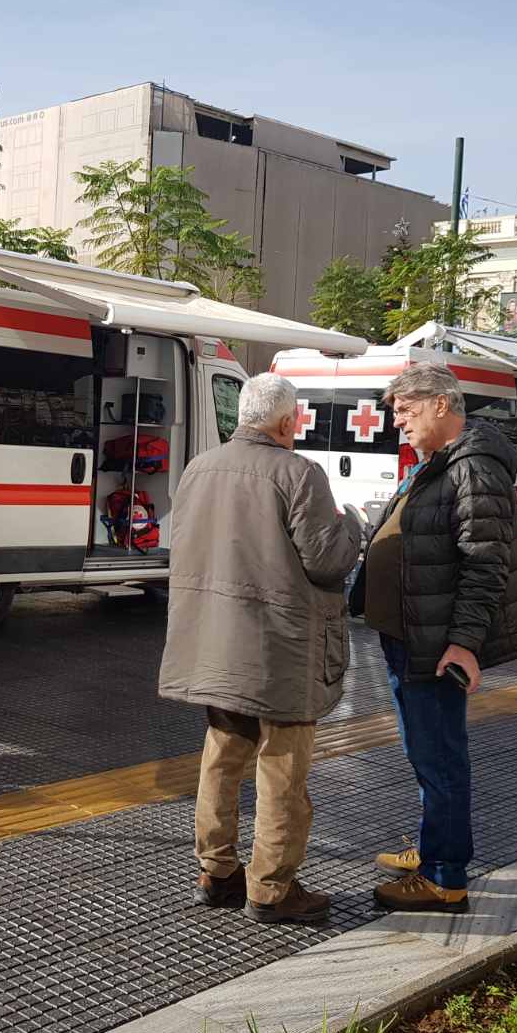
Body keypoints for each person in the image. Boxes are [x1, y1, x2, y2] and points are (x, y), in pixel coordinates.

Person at [158, 373, 361, 925]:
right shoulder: (300, 474)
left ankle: (216, 871)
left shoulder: (198, 468)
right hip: (280, 650)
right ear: (288, 421)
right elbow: (328, 561)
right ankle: (271, 888)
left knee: (221, 758)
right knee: (281, 769)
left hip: (213, 643)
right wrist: (356, 529)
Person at [361, 363, 517, 915]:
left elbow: (485, 560)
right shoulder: (441, 462)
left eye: (405, 410)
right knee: (426, 751)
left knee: (439, 756)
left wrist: (463, 642)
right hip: (414, 633)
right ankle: (434, 846)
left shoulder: (474, 465)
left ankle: (444, 878)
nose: (398, 422)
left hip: (437, 644)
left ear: (442, 405)